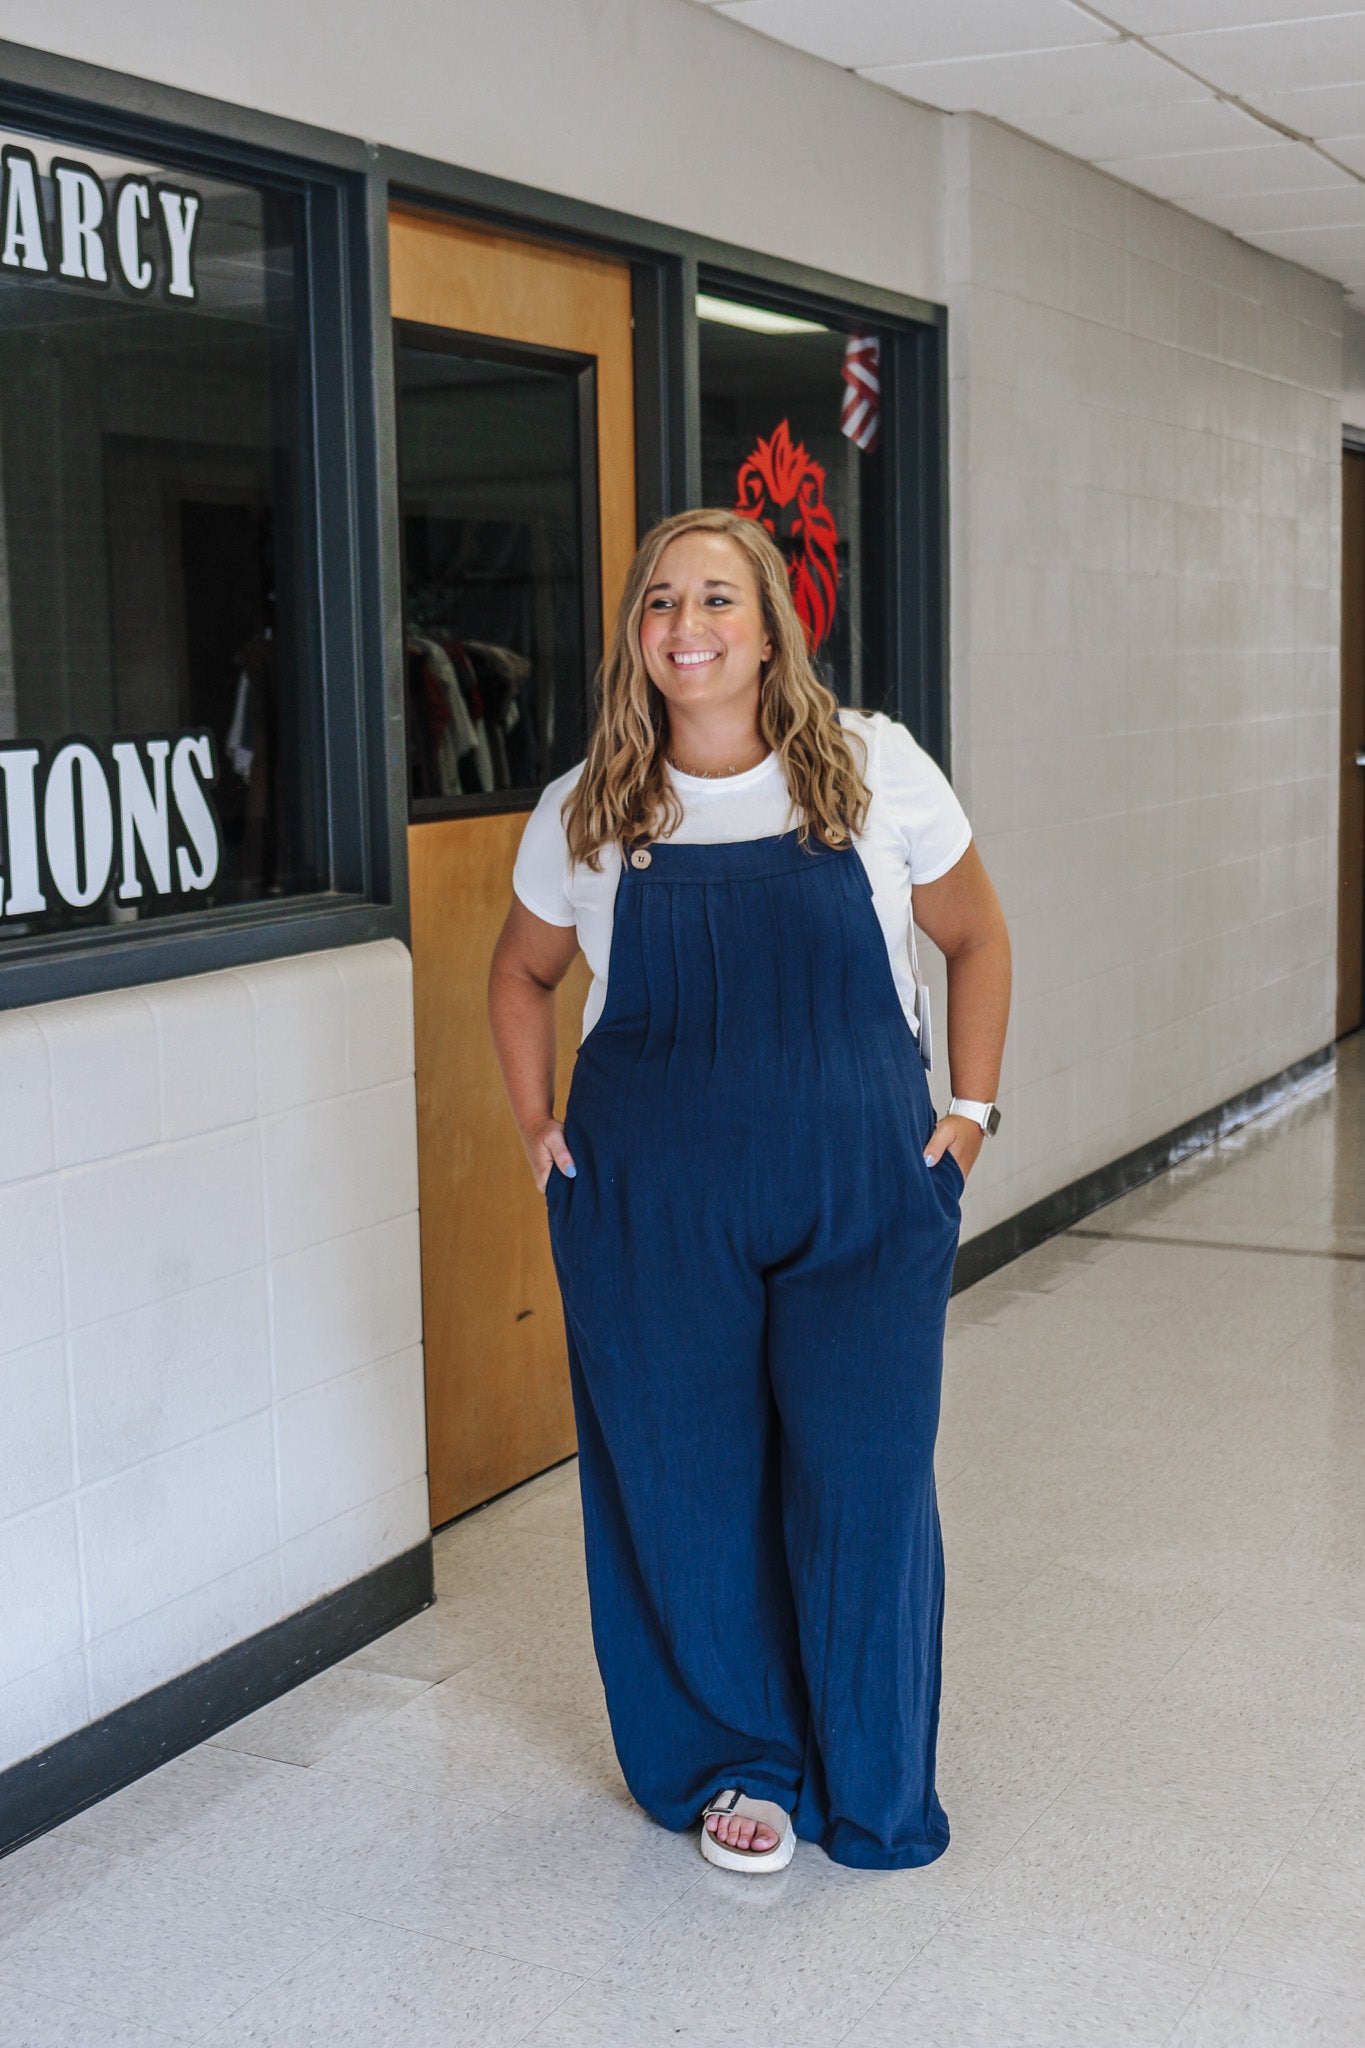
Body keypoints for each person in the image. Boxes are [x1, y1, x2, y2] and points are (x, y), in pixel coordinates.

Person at [488, 508, 1011, 1874]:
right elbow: (521, 975)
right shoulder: (592, 805)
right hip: (651, 1206)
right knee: (686, 1489)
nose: (684, 627)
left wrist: (965, 1115)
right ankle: (739, 1764)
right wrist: (539, 1120)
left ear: (772, 622)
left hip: (862, 1194)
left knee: (865, 1484)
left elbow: (974, 935)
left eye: (715, 598)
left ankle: (871, 1776)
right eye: (659, 602)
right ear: (636, 633)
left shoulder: (869, 768)